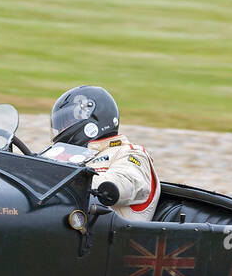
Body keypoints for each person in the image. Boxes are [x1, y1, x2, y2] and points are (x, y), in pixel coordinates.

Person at [49, 85, 160, 221]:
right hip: (62, 222)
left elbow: (125, 182)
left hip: (105, 237)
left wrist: (67, 179)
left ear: (93, 121)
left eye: (67, 122)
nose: (63, 128)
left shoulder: (132, 153)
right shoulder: (74, 154)